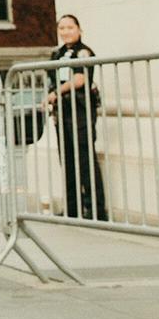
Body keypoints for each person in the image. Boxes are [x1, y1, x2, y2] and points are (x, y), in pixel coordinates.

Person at [46, 13, 107, 220]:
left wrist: (57, 92)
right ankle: (73, 207)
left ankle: (96, 208)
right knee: (67, 159)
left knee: (84, 157)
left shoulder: (84, 52)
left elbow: (80, 79)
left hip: (79, 110)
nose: (66, 32)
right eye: (61, 28)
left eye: (70, 27)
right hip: (62, 112)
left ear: (79, 30)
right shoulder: (57, 54)